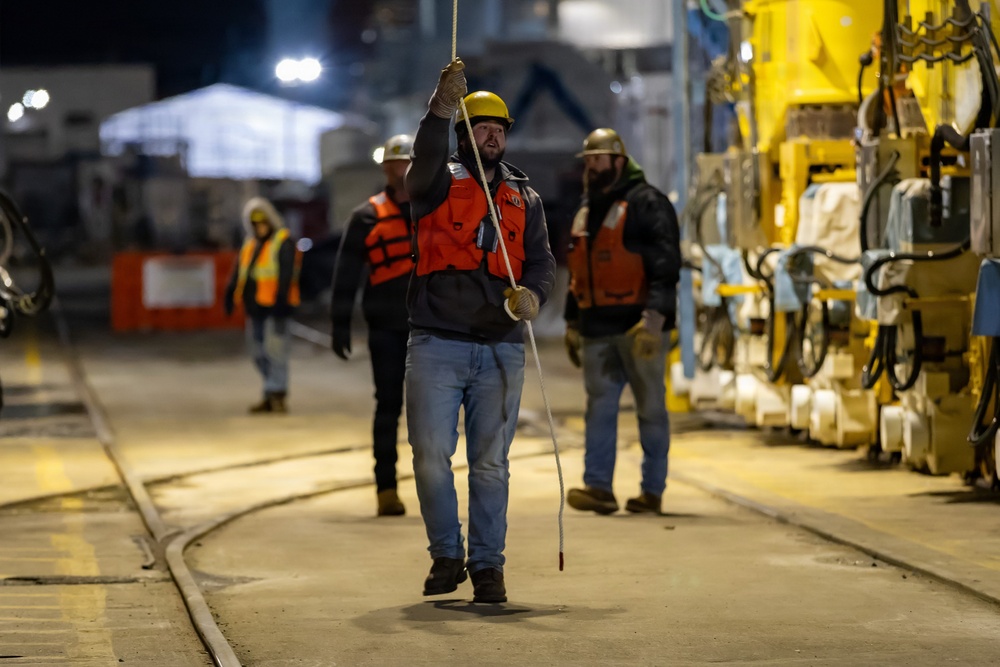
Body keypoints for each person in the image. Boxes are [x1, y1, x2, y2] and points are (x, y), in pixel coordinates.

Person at [404, 58, 556, 604]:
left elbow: (541, 263)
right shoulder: (436, 184)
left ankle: (488, 567)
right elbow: (418, 168)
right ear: (465, 133)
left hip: (501, 349)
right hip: (436, 343)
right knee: (428, 456)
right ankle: (447, 555)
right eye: (480, 126)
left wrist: (533, 295)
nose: (491, 135)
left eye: (499, 128)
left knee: (491, 464)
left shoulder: (526, 199)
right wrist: (439, 111)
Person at [563, 128, 681, 516]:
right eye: (588, 160)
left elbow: (666, 265)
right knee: (598, 409)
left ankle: (652, 491)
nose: (592, 166)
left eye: (598, 159)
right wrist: (572, 323)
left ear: (619, 161)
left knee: (650, 408)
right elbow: (579, 270)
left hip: (638, 328)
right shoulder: (587, 209)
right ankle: (598, 487)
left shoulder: (648, 203)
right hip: (596, 327)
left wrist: (655, 320)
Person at [330, 134, 415, 517]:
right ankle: (386, 488)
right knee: (389, 406)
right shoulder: (365, 216)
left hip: (432, 329)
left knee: (434, 413)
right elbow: (345, 275)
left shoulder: (435, 211)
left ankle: (435, 489)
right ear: (387, 168)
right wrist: (340, 324)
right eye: (401, 162)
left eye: (414, 161)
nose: (408, 169)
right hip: (386, 328)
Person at [224, 197, 301, 414]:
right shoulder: (250, 245)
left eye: (263, 222)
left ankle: (277, 394)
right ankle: (270, 391)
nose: (260, 227)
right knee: (257, 353)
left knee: (275, 352)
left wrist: (281, 303)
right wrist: (229, 296)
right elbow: (239, 272)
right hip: (255, 309)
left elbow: (286, 275)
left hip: (276, 309)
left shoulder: (283, 241)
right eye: (255, 224)